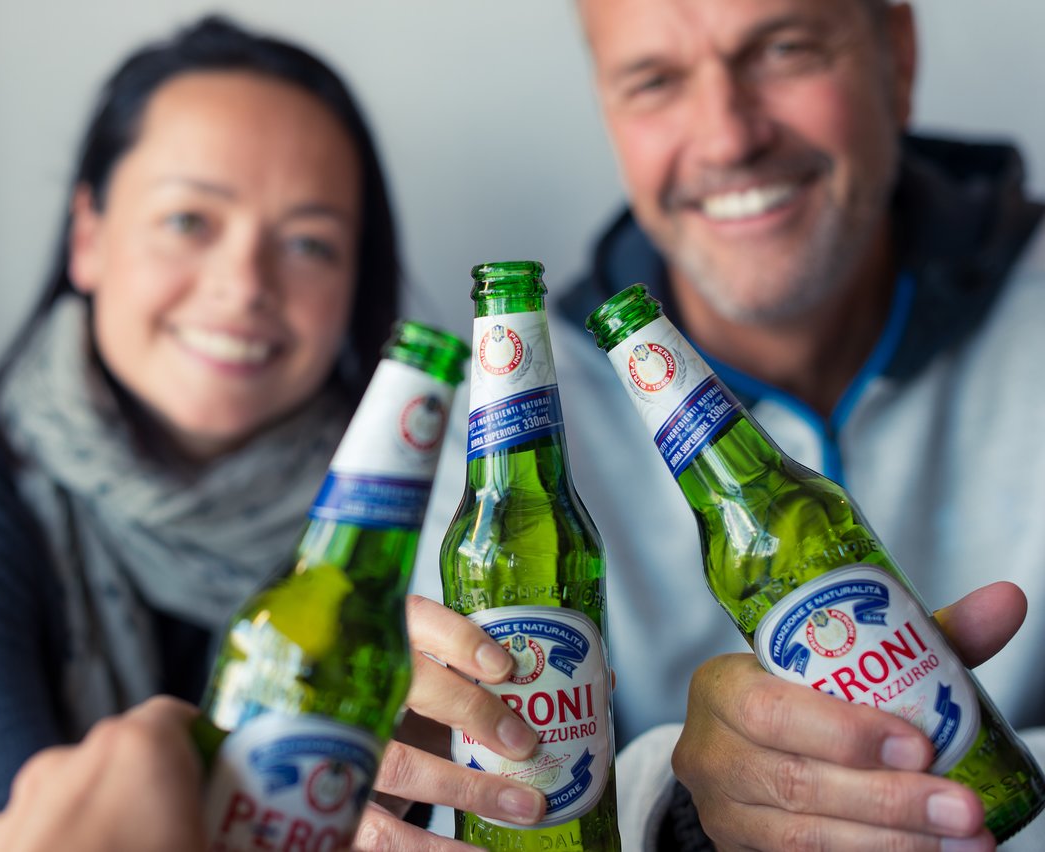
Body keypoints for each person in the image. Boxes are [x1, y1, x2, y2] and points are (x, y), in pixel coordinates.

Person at [0, 17, 548, 851]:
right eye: (189, 221)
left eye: (309, 242)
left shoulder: (411, 544)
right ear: (88, 237)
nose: (244, 284)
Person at [411, 0, 1045, 848]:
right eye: (655, 80)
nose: (726, 137)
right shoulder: (504, 426)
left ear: (896, 53)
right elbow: (446, 782)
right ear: (607, 108)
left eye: (783, 49)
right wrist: (670, 808)